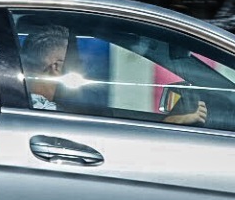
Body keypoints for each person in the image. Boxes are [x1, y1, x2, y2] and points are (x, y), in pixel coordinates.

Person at [19, 24, 207, 125]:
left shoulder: (25, 104)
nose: (82, 72)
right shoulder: (41, 113)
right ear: (57, 67)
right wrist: (170, 124)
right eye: (77, 64)